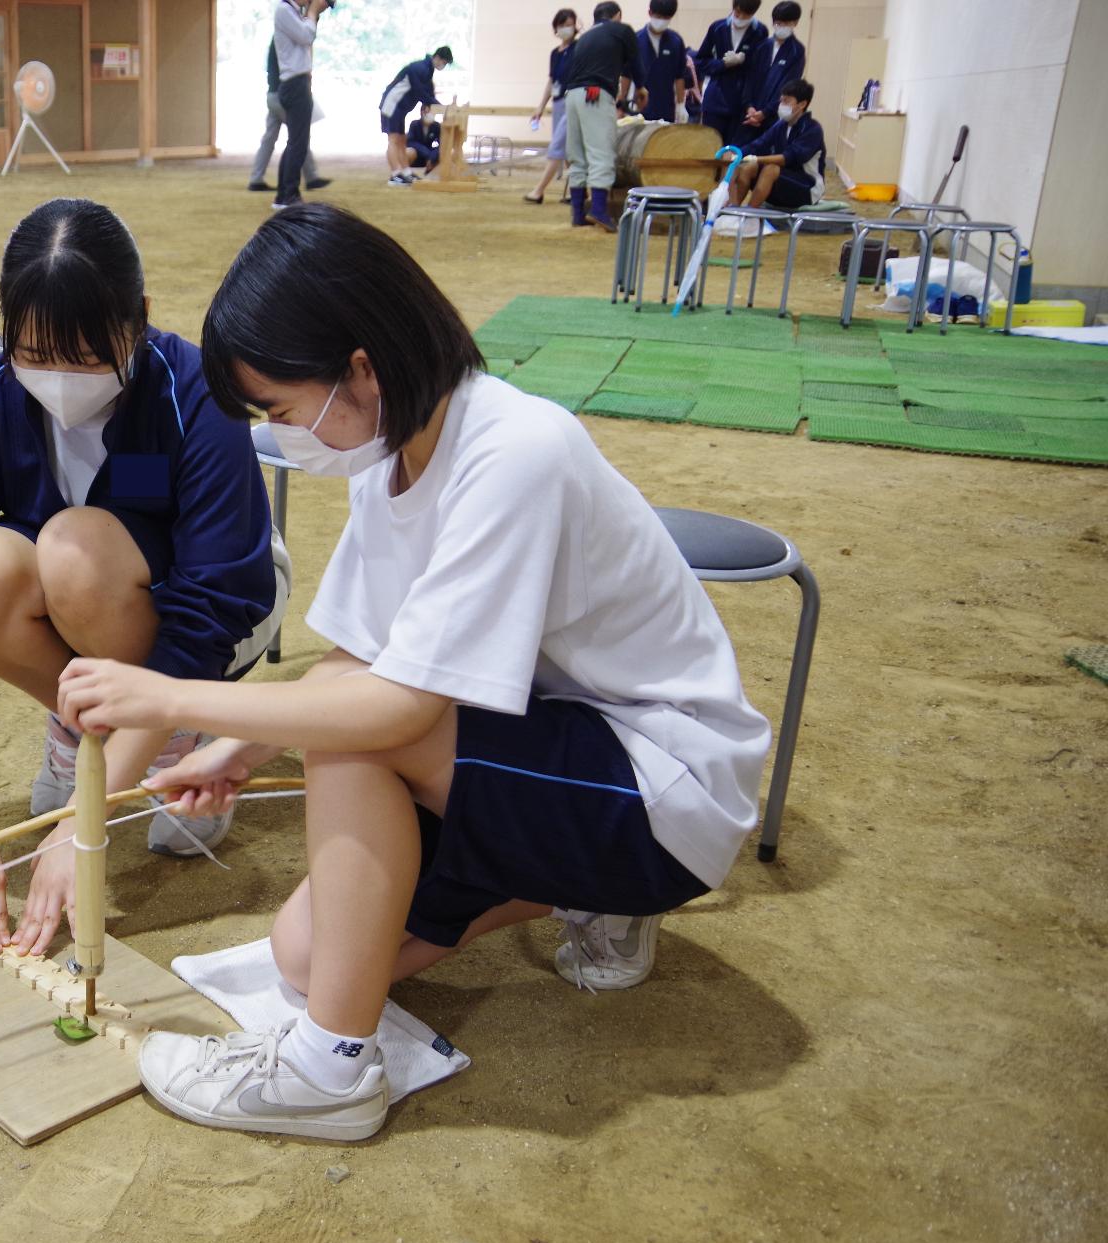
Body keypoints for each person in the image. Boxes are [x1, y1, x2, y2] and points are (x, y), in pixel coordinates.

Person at [54, 205, 770, 1141]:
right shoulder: (384, 451)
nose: (282, 434)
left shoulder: (516, 452)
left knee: (362, 738)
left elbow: (390, 705)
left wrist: (170, 696)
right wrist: (235, 744)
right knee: (307, 953)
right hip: (539, 749)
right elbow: (361, 653)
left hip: (661, 783)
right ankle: (581, 891)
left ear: (361, 367)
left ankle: (330, 1069)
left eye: (280, 407)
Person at [0, 198, 290, 959]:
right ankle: (87, 729)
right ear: (5, 328)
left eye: (91, 357)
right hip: (87, 606)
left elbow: (210, 608)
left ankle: (172, 735)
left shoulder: (193, 390)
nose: (61, 379)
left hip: (216, 612)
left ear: (141, 320)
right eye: (35, 352)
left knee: (72, 548)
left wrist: (81, 820)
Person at [561, 3, 639, 232]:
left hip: (571, 95)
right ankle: (599, 210)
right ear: (617, 16)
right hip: (595, 94)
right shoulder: (622, 30)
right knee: (601, 154)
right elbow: (635, 64)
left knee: (577, 156)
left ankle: (577, 214)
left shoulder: (584, 39)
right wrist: (641, 87)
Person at [728, 79, 824, 211]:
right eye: (781, 100)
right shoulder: (781, 125)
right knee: (747, 167)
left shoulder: (812, 129)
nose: (782, 105)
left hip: (807, 187)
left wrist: (756, 158)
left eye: (787, 101)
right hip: (783, 181)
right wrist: (735, 154)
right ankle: (732, 211)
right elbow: (758, 144)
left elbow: (789, 158)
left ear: (802, 104)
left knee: (770, 168)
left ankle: (749, 215)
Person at [248, 39, 329, 194]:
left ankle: (256, 178)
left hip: (273, 94)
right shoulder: (287, 44)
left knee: (269, 138)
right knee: (299, 135)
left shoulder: (278, 41)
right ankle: (311, 177)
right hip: (283, 95)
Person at [271, 0, 329, 211]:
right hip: (295, 84)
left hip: (297, 83)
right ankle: (289, 195)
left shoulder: (292, 11)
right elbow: (306, 36)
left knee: (295, 142)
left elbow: (306, 35)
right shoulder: (284, 10)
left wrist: (313, 13)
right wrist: (313, 11)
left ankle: (283, 195)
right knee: (299, 143)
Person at [523, 10, 578, 205]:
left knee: (557, 147)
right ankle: (578, 192)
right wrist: (540, 106)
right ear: (556, 28)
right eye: (563, 25)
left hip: (572, 101)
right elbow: (551, 81)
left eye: (570, 24)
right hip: (557, 102)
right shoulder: (555, 53)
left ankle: (539, 191)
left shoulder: (579, 48)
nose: (567, 28)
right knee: (568, 150)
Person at [695, 0, 768, 147]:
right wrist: (723, 64)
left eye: (746, 15)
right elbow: (701, 62)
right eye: (737, 12)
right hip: (716, 98)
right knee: (710, 147)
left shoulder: (760, 31)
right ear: (733, 7)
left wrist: (744, 60)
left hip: (741, 102)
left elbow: (758, 68)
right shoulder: (718, 27)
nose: (740, 18)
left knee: (733, 151)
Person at [379, 46, 452, 187]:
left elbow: (428, 93)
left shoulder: (428, 70)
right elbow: (420, 92)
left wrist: (439, 105)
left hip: (400, 107)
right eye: (443, 62)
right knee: (394, 139)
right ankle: (395, 175)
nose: (443, 65)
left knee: (401, 140)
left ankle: (406, 172)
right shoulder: (419, 68)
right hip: (392, 104)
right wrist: (440, 107)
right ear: (436, 57)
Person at [740, 2, 805, 138]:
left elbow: (789, 87)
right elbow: (749, 78)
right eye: (778, 23)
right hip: (750, 114)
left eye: (786, 24)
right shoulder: (762, 46)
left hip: (773, 116)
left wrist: (765, 112)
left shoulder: (796, 51)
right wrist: (749, 106)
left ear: (795, 23)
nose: (781, 27)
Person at [634, 0, 689, 123]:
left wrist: (680, 105)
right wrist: (623, 101)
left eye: (666, 18)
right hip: (640, 105)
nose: (661, 21)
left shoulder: (676, 41)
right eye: (658, 17)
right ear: (650, 13)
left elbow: (679, 76)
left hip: (666, 106)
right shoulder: (636, 39)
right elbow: (626, 74)